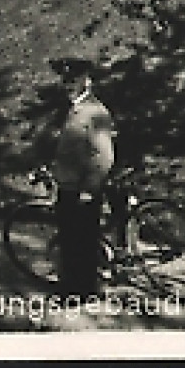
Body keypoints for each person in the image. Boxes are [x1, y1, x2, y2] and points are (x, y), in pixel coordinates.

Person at [51, 57, 117, 292]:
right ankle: (73, 288)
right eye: (66, 81)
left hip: (82, 190)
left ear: (86, 82)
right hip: (69, 186)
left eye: (74, 81)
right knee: (69, 242)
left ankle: (80, 292)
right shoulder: (75, 108)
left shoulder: (94, 111)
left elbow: (103, 155)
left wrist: (90, 189)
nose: (68, 86)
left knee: (82, 244)